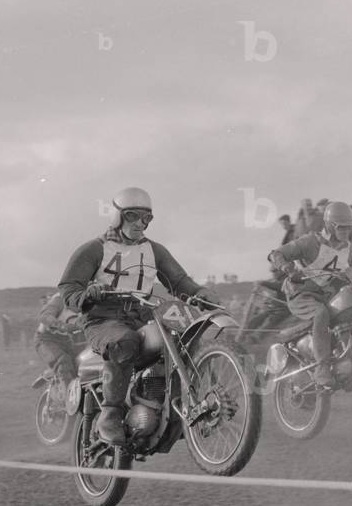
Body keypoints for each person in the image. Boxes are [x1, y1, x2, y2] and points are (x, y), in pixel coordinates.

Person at [57, 187, 218, 444]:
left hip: (142, 315)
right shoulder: (93, 249)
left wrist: (199, 293)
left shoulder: (154, 250)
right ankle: (109, 414)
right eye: (133, 216)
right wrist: (89, 293)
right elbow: (68, 288)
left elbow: (179, 281)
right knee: (125, 341)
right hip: (102, 319)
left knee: (183, 334)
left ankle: (191, 403)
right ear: (118, 216)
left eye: (146, 218)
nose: (140, 223)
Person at [269, 201, 352, 388]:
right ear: (331, 226)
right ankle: (322, 368)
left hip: (323, 294)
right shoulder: (309, 241)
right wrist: (287, 267)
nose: (346, 232)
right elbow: (276, 254)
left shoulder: (345, 248)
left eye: (349, 228)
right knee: (321, 313)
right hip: (300, 294)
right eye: (342, 228)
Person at [34, 291, 83, 394]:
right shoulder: (60, 298)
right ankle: (69, 404)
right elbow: (44, 316)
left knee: (84, 365)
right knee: (63, 362)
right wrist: (61, 325)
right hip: (46, 340)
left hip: (68, 341)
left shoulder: (93, 300)